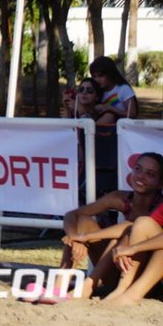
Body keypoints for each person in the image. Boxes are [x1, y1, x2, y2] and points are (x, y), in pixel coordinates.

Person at [50, 152, 163, 302]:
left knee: (126, 233)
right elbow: (72, 215)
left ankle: (89, 285)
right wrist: (74, 238)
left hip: (149, 277)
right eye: (138, 169)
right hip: (118, 266)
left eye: (150, 174)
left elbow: (131, 226)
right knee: (83, 222)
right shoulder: (121, 198)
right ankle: (58, 288)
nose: (141, 176)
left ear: (160, 183)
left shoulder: (159, 205)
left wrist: (85, 237)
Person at [89, 56, 138, 125]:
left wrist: (110, 108)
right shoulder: (96, 91)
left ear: (110, 74)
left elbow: (132, 114)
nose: (97, 80)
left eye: (100, 76)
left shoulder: (123, 89)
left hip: (124, 129)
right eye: (94, 76)